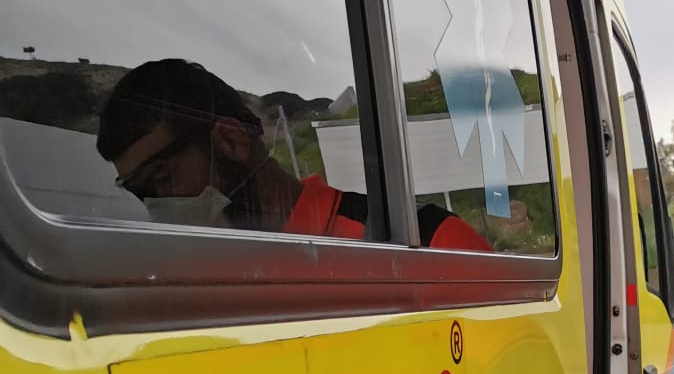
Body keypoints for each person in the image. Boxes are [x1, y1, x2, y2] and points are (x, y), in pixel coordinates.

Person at [97, 58, 489, 249]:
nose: (157, 207)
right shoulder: (205, 285)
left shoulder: (428, 239)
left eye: (162, 178)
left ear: (231, 142)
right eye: (139, 192)